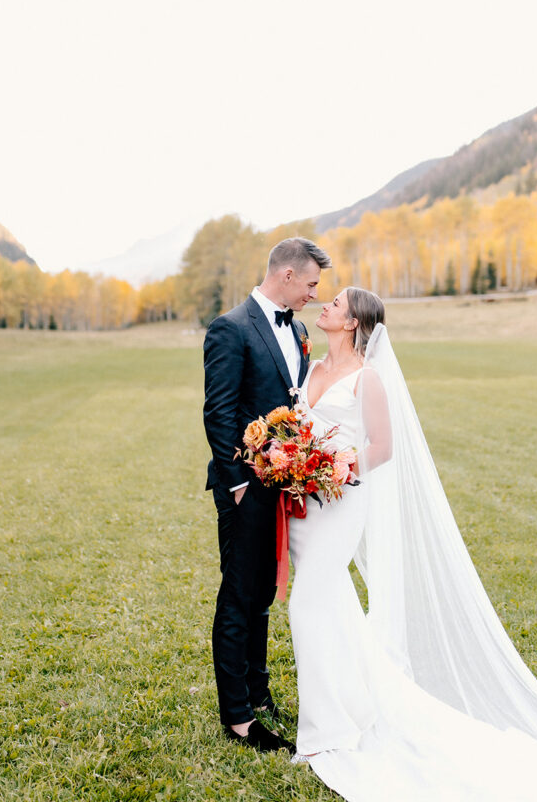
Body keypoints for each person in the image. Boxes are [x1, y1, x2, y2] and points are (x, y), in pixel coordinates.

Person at [288, 287, 537, 802]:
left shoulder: (369, 379)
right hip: (302, 509)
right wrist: (292, 461)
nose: (326, 307)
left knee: (305, 606)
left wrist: (333, 470)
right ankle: (353, 704)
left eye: (335, 304)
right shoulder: (310, 370)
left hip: (340, 503)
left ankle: (323, 732)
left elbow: (381, 448)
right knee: (332, 607)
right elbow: (298, 427)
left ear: (354, 322)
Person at [203, 237, 331, 753]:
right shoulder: (230, 329)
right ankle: (237, 718)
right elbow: (220, 413)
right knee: (238, 597)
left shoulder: (297, 329)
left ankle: (258, 693)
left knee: (261, 598)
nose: (315, 295)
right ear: (286, 276)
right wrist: (236, 483)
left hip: (281, 485)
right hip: (243, 488)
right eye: (312, 284)